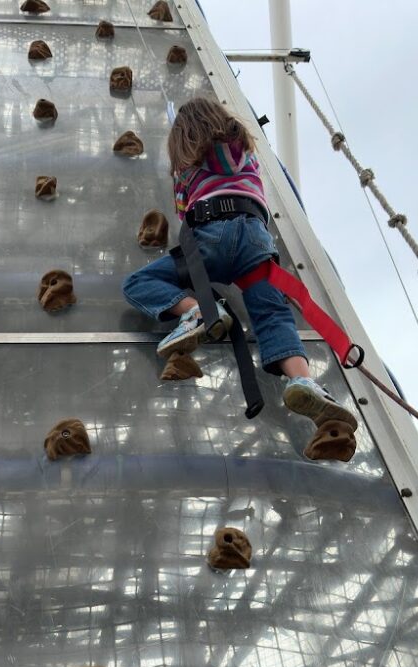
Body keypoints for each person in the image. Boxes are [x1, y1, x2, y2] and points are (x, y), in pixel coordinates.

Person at [122, 96, 357, 430]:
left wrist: (181, 173)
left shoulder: (188, 165)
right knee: (272, 314)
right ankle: (302, 380)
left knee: (138, 283)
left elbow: (181, 210)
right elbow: (237, 168)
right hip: (255, 240)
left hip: (211, 235)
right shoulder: (243, 151)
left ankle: (199, 310)